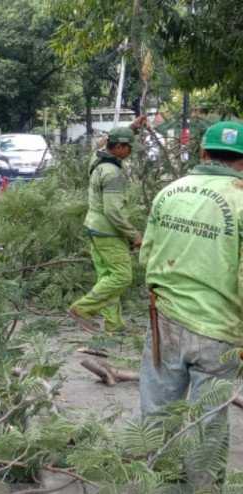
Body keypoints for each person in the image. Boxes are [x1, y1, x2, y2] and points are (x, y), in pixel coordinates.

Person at [138, 121, 243, 489]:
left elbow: (145, 258)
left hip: (164, 319)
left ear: (202, 152)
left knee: (158, 409)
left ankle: (160, 482)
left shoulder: (169, 192)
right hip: (220, 331)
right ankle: (203, 487)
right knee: (208, 421)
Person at [68, 118, 145, 333]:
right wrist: (134, 235)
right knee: (122, 276)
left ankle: (114, 324)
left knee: (107, 277)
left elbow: (104, 141)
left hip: (93, 226)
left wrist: (132, 128)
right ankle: (81, 308)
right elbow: (114, 212)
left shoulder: (98, 158)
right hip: (108, 231)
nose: (130, 152)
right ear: (119, 147)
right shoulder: (113, 174)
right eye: (128, 147)